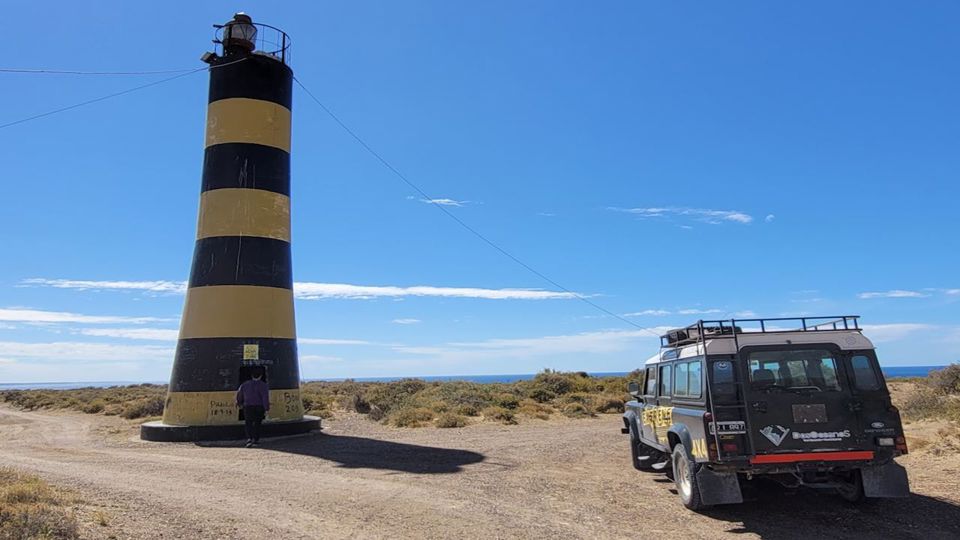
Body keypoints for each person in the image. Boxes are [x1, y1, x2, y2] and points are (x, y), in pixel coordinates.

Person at [236, 369, 270, 447]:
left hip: (247, 406)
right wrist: (266, 408)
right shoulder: (263, 385)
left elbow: (239, 394)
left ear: (252, 376)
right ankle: (256, 439)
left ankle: (249, 439)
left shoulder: (244, 385)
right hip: (259, 407)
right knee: (257, 423)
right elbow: (265, 397)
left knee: (248, 423)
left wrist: (239, 403)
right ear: (261, 376)